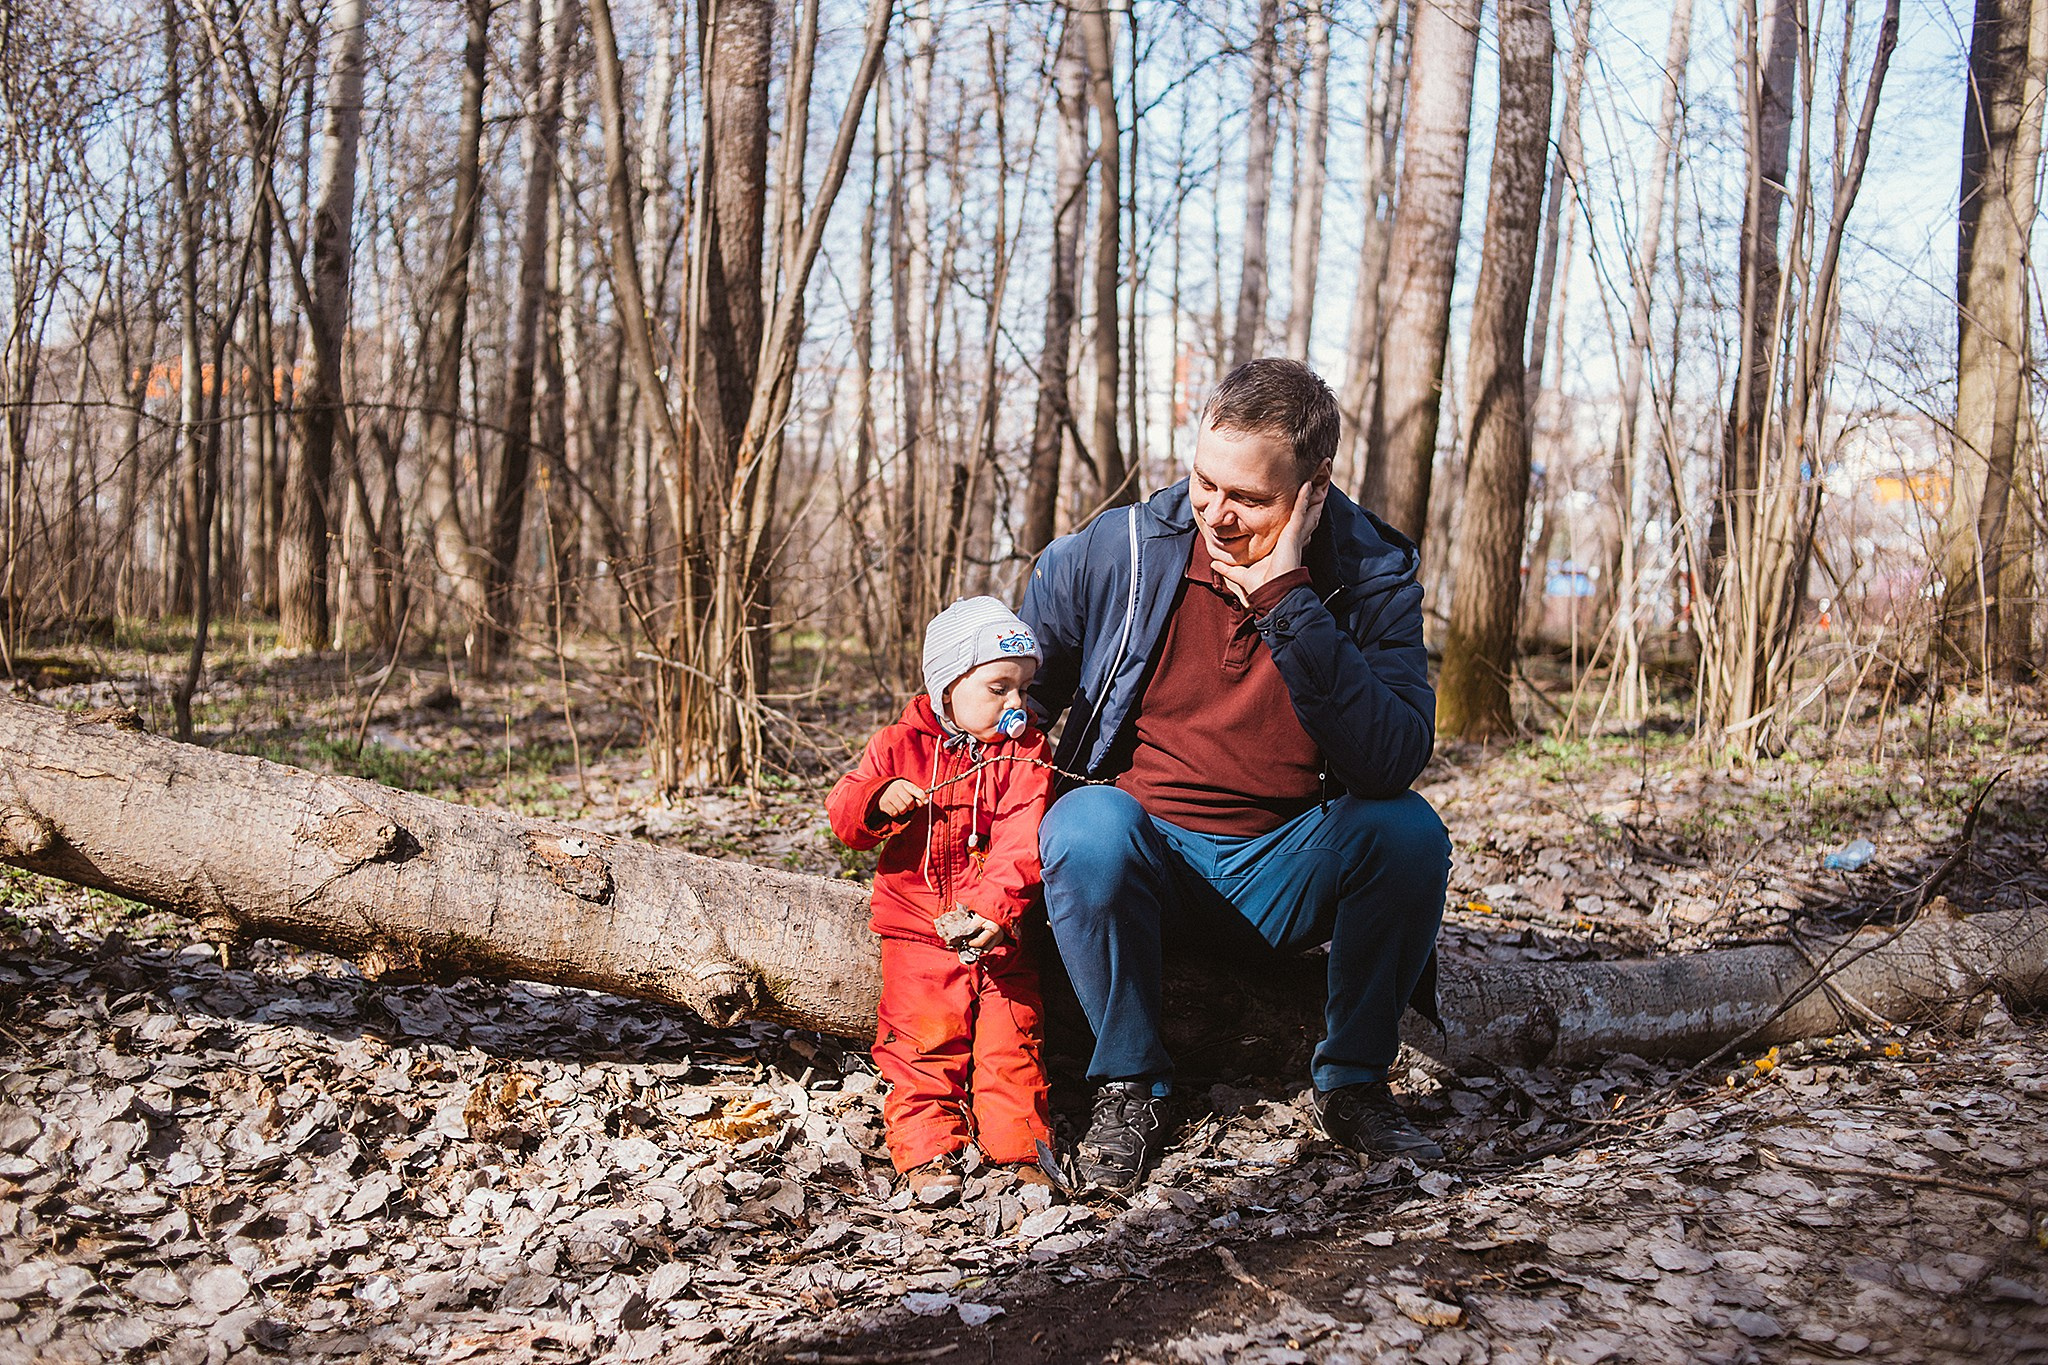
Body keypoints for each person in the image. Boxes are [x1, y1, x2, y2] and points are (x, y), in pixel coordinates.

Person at [1020, 358, 1451, 1190]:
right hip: (1142, 858)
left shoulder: (1367, 576)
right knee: (1083, 825)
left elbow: (1392, 757)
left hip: (1283, 866)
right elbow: (1013, 700)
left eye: (1247, 498)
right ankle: (1129, 1085)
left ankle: (1354, 1084)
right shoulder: (1125, 552)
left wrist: (1287, 600)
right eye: (1203, 481)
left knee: (1407, 833)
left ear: (1312, 488)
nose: (1214, 513)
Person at [825, 596, 1057, 1201]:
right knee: (924, 1038)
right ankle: (929, 1147)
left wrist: (995, 911)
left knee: (1012, 1033)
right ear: (948, 687)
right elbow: (844, 816)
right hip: (917, 926)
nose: (1016, 705)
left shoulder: (1027, 750)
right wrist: (878, 796)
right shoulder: (898, 744)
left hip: (998, 927)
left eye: (1024, 690)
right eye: (998, 688)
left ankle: (1020, 1147)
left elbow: (1021, 831)